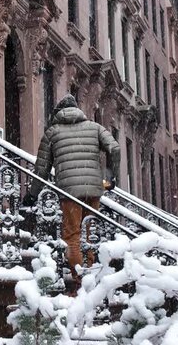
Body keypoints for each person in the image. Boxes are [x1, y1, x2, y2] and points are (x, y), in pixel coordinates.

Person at [22, 94, 120, 287]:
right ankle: (90, 276)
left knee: (72, 235)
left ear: (58, 112)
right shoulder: (95, 128)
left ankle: (80, 280)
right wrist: (111, 176)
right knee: (89, 233)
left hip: (69, 192)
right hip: (93, 188)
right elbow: (115, 149)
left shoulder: (53, 132)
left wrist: (32, 194)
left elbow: (42, 169)